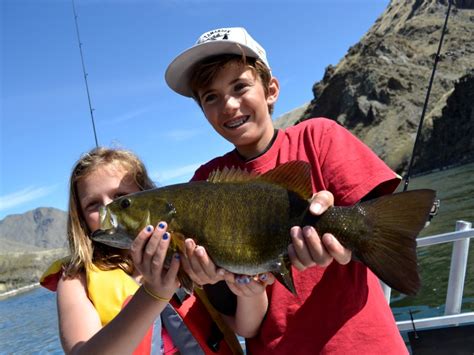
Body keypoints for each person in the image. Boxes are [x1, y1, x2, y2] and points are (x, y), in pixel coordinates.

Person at [164, 27, 407, 353]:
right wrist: (206, 276)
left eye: (240, 87)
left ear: (271, 90)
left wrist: (345, 241)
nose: (230, 105)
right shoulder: (202, 182)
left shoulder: (319, 137)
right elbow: (238, 320)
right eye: (211, 97)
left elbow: (383, 226)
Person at [40, 147, 245, 354]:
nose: (107, 209)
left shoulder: (187, 248)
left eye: (122, 199)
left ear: (147, 196)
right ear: (81, 218)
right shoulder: (74, 281)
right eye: (93, 205)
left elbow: (244, 323)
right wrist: (154, 293)